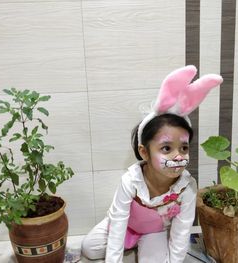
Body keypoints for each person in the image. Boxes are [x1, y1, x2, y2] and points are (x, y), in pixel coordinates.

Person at [81, 65, 223, 263]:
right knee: (89, 248)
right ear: (144, 152)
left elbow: (181, 233)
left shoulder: (187, 187)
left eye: (183, 148)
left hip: (153, 232)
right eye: (166, 148)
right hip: (125, 224)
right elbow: (119, 223)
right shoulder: (131, 181)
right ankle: (131, 242)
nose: (178, 156)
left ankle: (148, 244)